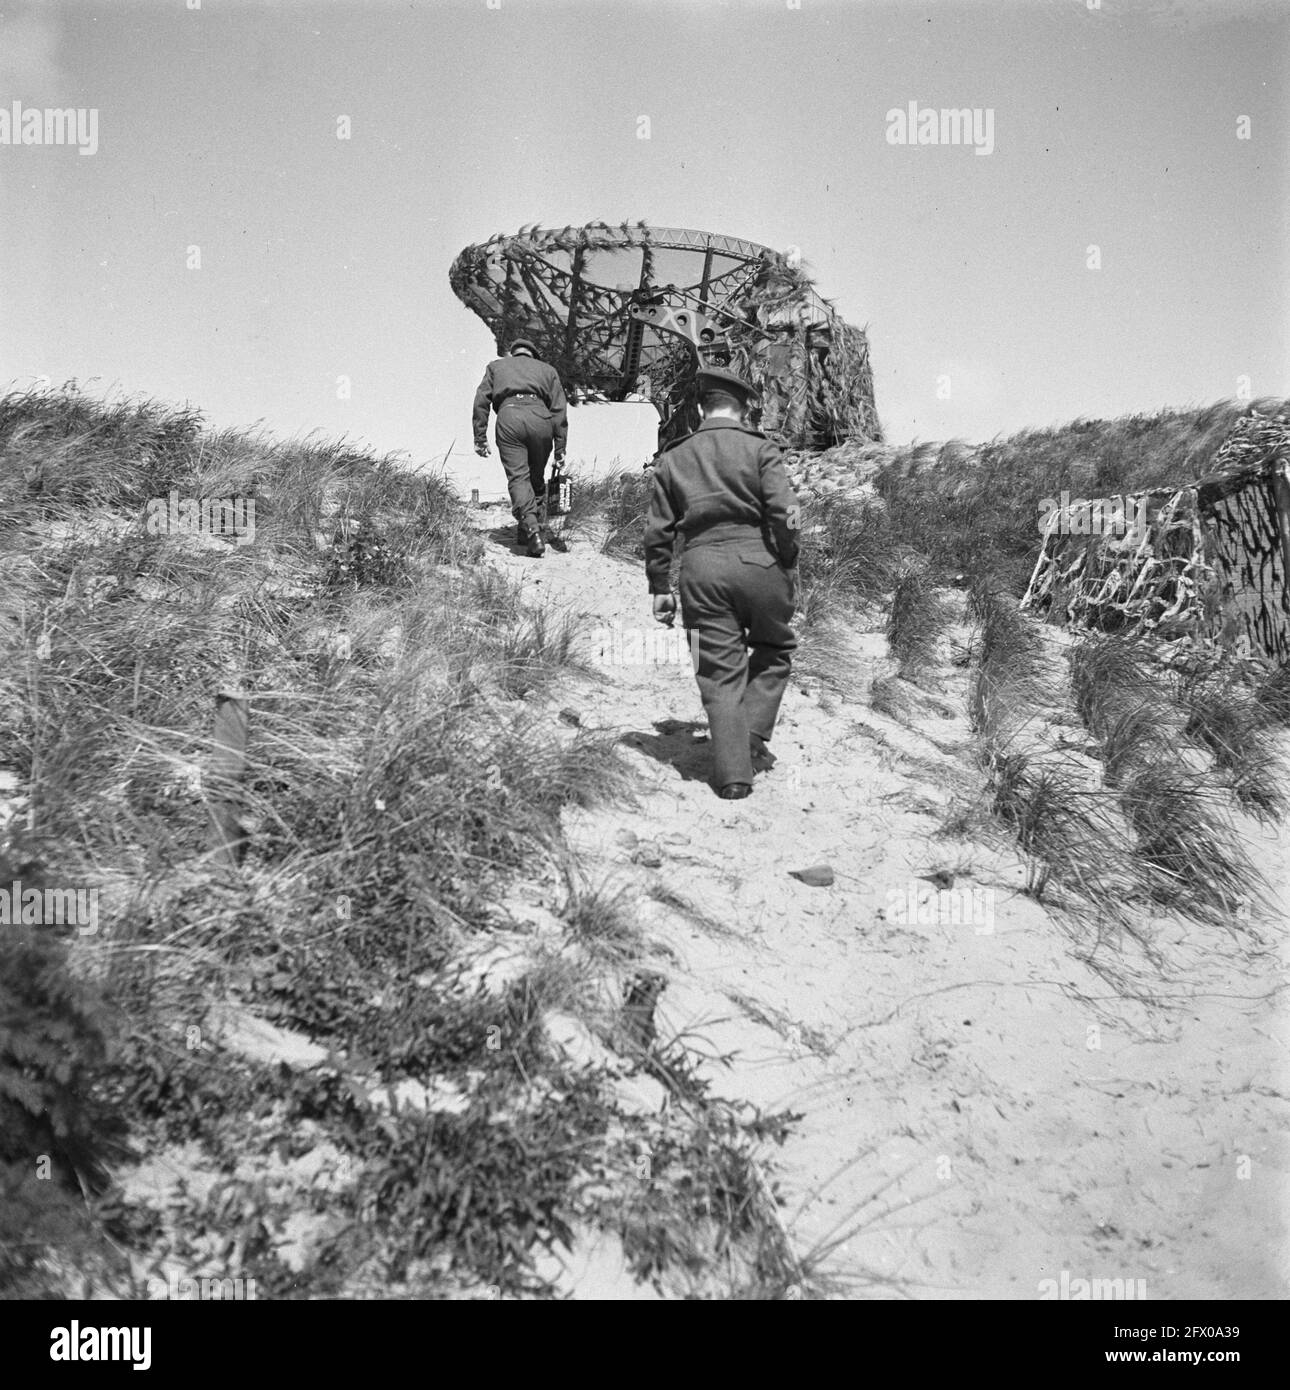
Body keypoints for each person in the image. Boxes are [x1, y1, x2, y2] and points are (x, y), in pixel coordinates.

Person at [644, 366, 800, 799]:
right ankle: (750, 735)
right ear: (745, 409)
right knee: (776, 647)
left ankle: (733, 776)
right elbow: (786, 512)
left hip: (702, 568)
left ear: (699, 408)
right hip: (761, 563)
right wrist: (785, 558)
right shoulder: (761, 448)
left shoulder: (674, 457)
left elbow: (658, 531)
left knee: (717, 669)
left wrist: (660, 586)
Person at [473, 338, 569, 558]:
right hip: (541, 419)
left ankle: (532, 530)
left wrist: (480, 437)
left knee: (518, 477)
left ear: (513, 352)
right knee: (536, 479)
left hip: (510, 416)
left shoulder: (496, 366)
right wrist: (560, 448)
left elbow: (481, 400)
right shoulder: (548, 370)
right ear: (533, 354)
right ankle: (529, 532)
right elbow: (559, 410)